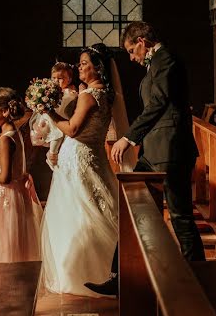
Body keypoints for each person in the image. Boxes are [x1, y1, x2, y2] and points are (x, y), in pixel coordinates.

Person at [86, 21, 204, 297]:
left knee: (180, 216)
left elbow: (159, 103)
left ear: (142, 41)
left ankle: (198, 277)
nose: (131, 57)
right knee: (132, 210)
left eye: (131, 50)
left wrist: (129, 137)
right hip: (153, 152)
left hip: (171, 150)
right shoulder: (155, 63)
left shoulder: (168, 60)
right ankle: (119, 277)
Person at [40, 44, 126, 297]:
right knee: (95, 208)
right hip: (94, 155)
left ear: (97, 68)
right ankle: (112, 269)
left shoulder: (89, 95)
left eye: (84, 63)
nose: (79, 67)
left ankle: (82, 272)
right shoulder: (105, 95)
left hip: (78, 158)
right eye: (79, 63)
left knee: (79, 213)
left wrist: (48, 113)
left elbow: (72, 129)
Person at [0, 87, 43, 263]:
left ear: (4, 111)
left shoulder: (5, 139)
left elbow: (5, 177)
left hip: (6, 197)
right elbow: (11, 169)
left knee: (5, 240)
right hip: (14, 194)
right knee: (13, 241)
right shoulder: (15, 134)